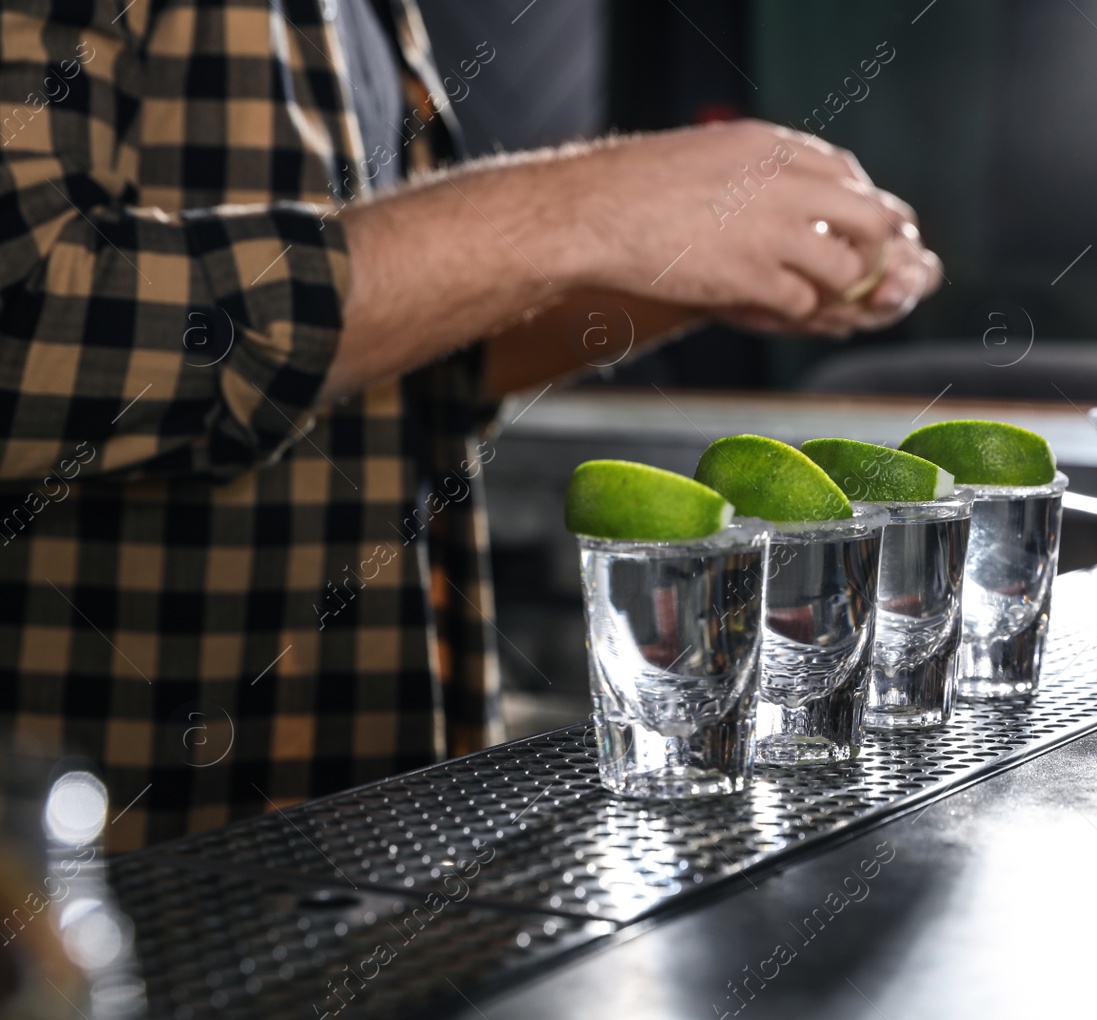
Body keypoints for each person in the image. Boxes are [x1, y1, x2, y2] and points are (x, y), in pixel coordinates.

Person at [0, 0, 941, 851]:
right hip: (113, 870)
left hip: (369, 828)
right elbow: (29, 320)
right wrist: (580, 208)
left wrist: (688, 267)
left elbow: (403, 371)